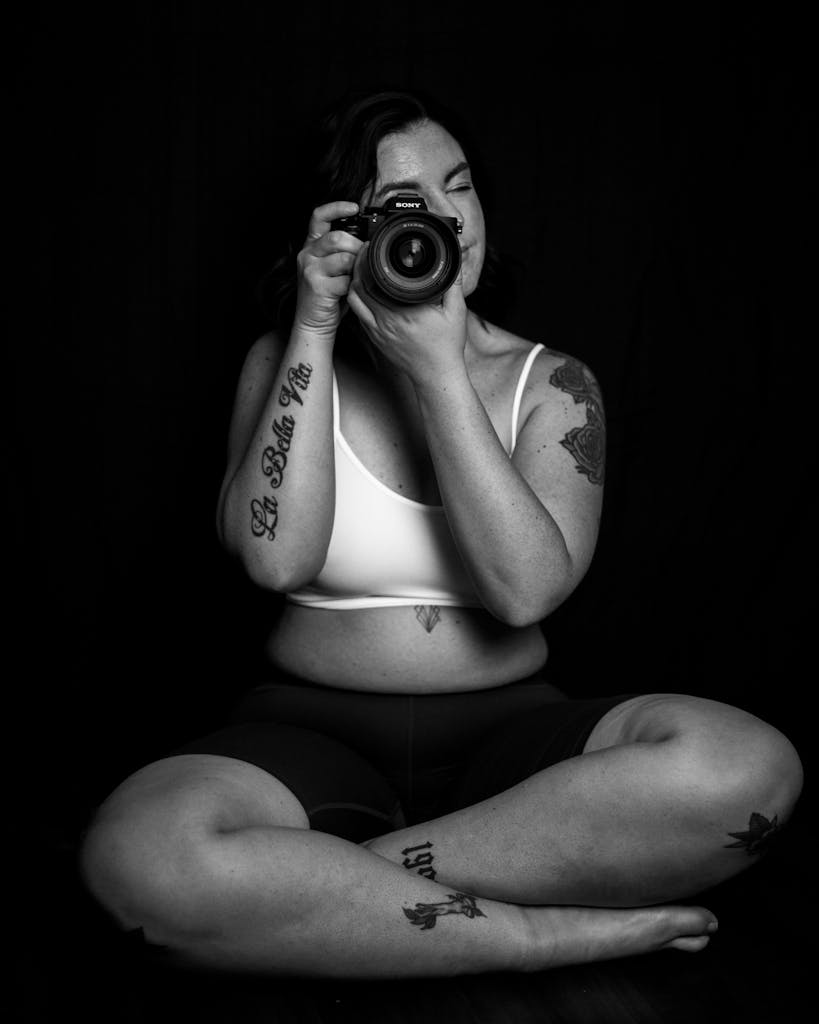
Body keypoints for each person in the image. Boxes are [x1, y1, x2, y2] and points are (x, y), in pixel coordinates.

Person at [79, 90, 803, 979]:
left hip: (513, 752)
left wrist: (440, 372)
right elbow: (274, 559)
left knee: (746, 773)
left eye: (459, 187)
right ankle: (529, 935)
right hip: (307, 736)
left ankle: (332, 898)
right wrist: (312, 325)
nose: (446, 218)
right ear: (346, 225)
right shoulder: (285, 359)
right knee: (138, 855)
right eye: (404, 202)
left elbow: (525, 592)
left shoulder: (553, 381)